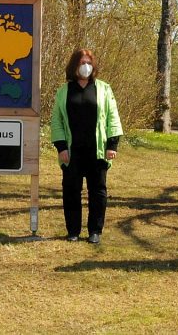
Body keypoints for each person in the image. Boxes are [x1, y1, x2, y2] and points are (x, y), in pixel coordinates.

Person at [50, 49, 123, 244]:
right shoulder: (63, 91)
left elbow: (113, 118)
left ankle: (95, 231)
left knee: (98, 191)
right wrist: (61, 147)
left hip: (97, 151)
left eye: (88, 62)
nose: (85, 66)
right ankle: (73, 230)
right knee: (71, 190)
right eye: (82, 62)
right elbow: (56, 121)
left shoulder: (104, 89)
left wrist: (112, 144)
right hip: (72, 152)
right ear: (74, 66)